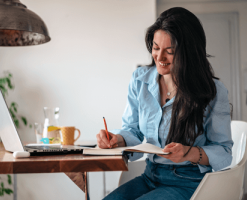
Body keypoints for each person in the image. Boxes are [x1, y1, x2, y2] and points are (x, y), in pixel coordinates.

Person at [96, 7, 233, 200]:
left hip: (189, 181)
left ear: (189, 53)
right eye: (156, 48)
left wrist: (188, 153)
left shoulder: (212, 90)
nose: (159, 58)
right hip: (150, 175)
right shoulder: (140, 80)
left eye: (170, 51)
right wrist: (117, 139)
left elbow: (224, 151)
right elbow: (133, 130)